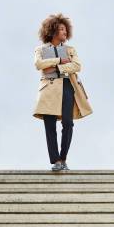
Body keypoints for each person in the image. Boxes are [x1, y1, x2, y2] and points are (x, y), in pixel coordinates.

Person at [32, 13, 93, 172]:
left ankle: (63, 158)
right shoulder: (40, 49)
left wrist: (56, 68)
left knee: (68, 123)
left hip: (67, 85)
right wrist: (59, 60)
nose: (64, 32)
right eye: (61, 29)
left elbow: (77, 66)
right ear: (52, 30)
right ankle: (56, 161)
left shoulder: (70, 49)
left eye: (66, 29)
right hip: (48, 89)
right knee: (49, 125)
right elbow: (39, 64)